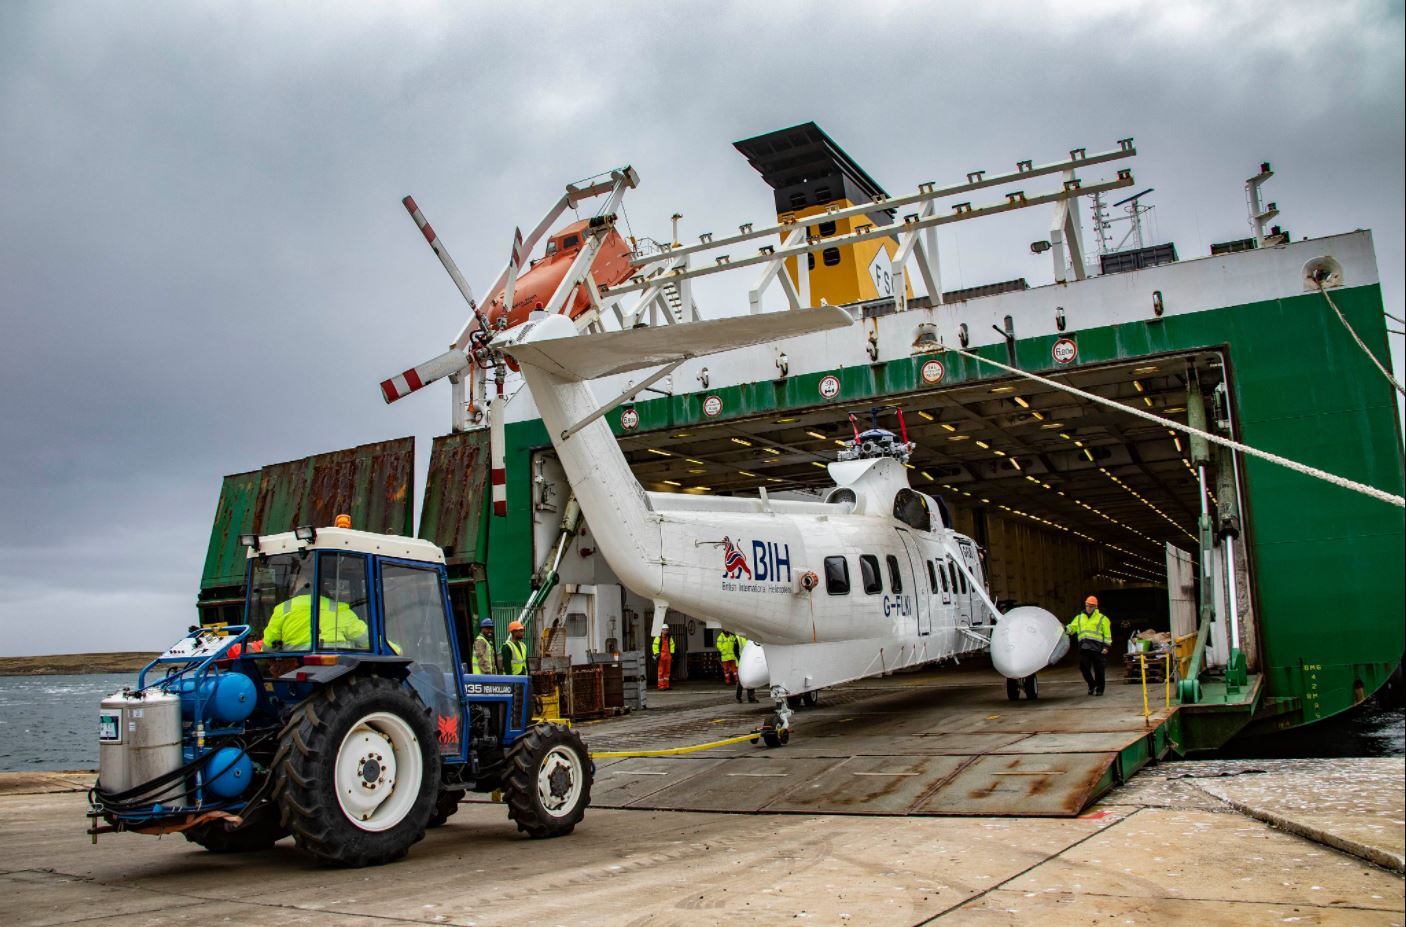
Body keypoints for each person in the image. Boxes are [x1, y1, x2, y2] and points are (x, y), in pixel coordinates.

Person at [262, 578, 368, 651]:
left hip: (294, 667)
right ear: (325, 595)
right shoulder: (338, 609)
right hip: (337, 667)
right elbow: (365, 638)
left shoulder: (283, 608)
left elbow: (269, 645)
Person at [1067, 595, 1112, 695]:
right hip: (1084, 648)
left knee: (1099, 670)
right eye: (1087, 605)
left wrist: (1106, 647)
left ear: (1096, 607)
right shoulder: (1079, 618)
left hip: (1098, 648)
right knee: (1083, 667)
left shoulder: (1103, 619)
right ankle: (1092, 685)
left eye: (1091, 606)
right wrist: (1065, 629)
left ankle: (1100, 689)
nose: (1089, 608)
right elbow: (1072, 628)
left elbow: (1107, 635)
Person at [735, 633, 758, 703]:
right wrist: (741, 659)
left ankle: (751, 698)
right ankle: (738, 697)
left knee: (749, 678)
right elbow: (735, 650)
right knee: (741, 680)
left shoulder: (751, 637)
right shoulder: (738, 638)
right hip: (741, 662)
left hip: (749, 661)